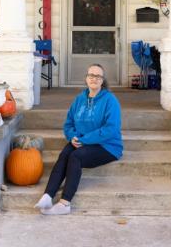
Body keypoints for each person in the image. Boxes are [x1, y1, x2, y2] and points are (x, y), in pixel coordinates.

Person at [34, 63, 123, 215]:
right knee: (65, 153)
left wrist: (84, 139)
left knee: (75, 156)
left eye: (98, 76)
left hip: (107, 146)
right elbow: (68, 123)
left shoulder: (110, 100)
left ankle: (65, 203)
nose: (94, 78)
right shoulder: (79, 99)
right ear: (86, 78)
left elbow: (111, 129)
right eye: (91, 75)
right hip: (82, 141)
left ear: (102, 80)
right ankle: (48, 195)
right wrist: (72, 137)